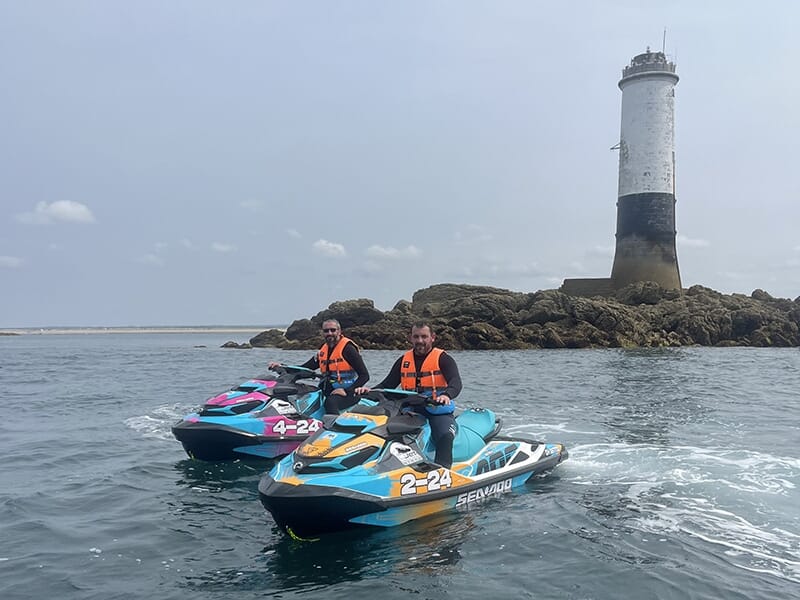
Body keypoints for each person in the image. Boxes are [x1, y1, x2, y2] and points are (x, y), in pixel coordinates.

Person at [355, 322, 461, 468]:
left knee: (445, 436)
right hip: (411, 410)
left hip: (437, 411)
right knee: (385, 431)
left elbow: (456, 382)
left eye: (424, 337)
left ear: (432, 338)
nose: (420, 341)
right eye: (416, 337)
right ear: (410, 338)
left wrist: (447, 395)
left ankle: (443, 471)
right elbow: (387, 385)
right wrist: (369, 391)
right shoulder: (403, 360)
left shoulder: (443, 359)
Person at [268, 319, 369, 414]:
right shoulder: (323, 351)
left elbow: (364, 375)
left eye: (333, 330)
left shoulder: (348, 349)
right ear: (323, 333)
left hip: (348, 393)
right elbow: (304, 368)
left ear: (339, 331)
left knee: (330, 402)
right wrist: (282, 367)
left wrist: (346, 391)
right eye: (326, 331)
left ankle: (333, 428)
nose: (329, 333)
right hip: (327, 390)